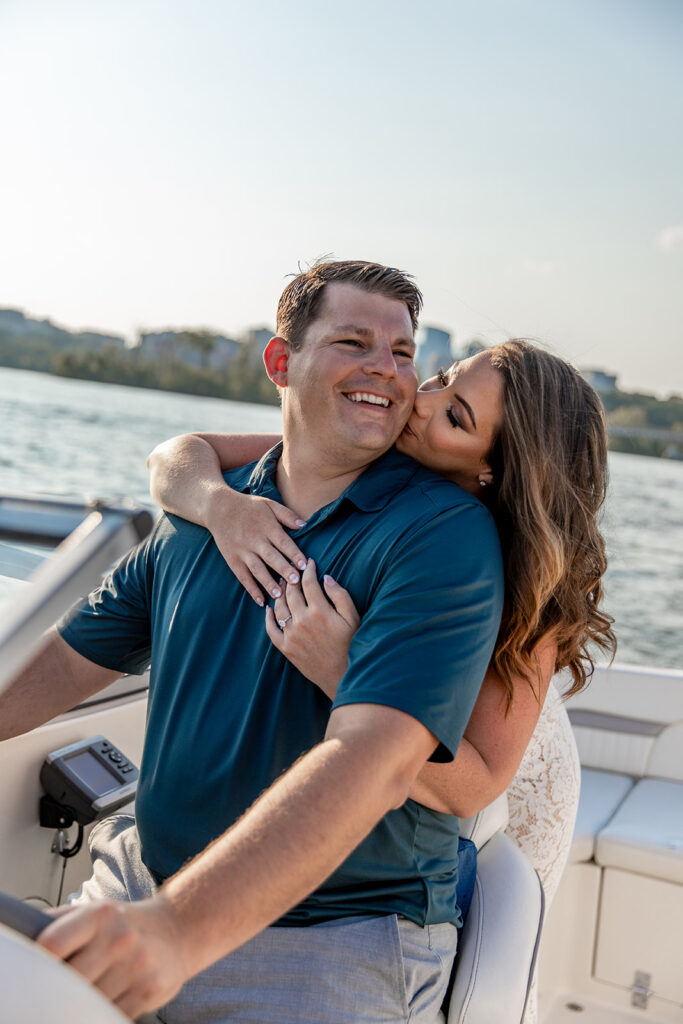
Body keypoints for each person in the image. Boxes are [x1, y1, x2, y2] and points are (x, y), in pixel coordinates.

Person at [0, 260, 506, 1023]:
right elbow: (73, 656)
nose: (386, 368)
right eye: (353, 341)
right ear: (280, 362)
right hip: (138, 888)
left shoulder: (441, 535)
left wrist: (178, 932)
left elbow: (372, 758)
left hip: (329, 942)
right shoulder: (207, 514)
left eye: (402, 353)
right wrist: (160, 916)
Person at [147, 338, 616, 1024]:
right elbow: (177, 455)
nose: (418, 405)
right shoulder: (382, 446)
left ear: (492, 472)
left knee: (495, 971)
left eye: (454, 417)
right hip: (398, 727)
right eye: (442, 379)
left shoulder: (526, 585)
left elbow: (479, 782)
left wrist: (345, 673)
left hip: (505, 768)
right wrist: (223, 508)